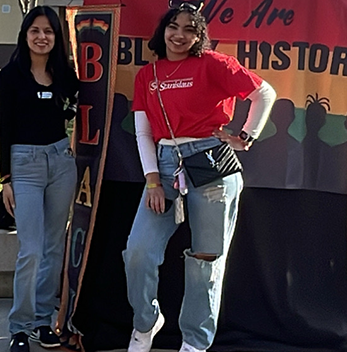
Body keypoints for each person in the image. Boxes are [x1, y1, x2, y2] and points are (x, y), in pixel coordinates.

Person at [124, 4, 275, 352]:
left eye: (189, 29)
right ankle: (145, 323)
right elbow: (143, 133)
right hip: (163, 166)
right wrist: (152, 181)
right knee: (138, 252)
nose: (179, 35)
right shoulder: (147, 75)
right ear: (162, 30)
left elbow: (264, 94)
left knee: (205, 262)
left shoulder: (213, 64)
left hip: (211, 166)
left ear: (199, 35)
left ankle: (194, 343)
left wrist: (246, 136)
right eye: (173, 27)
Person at [0, 6, 78, 352]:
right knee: (30, 250)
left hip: (61, 162)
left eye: (49, 31)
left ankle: (44, 322)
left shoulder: (65, 75)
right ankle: (20, 326)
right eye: (35, 30)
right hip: (24, 164)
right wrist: (5, 180)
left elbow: (74, 113)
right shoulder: (11, 75)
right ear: (25, 34)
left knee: (53, 246)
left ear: (57, 37)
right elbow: (5, 129)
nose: (42, 37)